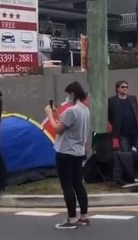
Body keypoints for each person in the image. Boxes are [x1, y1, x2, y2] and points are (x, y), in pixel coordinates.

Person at [46, 82, 90, 229]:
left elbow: (58, 129)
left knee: (67, 186)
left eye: (68, 94)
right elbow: (67, 124)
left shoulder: (72, 111)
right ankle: (84, 216)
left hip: (65, 151)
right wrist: (57, 115)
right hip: (78, 152)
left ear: (73, 94)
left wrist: (49, 115)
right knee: (78, 183)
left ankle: (72, 219)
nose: (67, 97)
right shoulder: (84, 110)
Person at [108, 80, 138, 153]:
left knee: (137, 152)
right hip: (122, 133)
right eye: (123, 87)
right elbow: (110, 116)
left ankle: (136, 164)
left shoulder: (133, 98)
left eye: (126, 87)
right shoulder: (112, 100)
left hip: (135, 132)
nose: (125, 88)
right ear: (117, 88)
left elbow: (136, 112)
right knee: (126, 153)